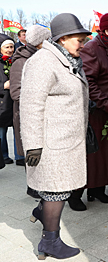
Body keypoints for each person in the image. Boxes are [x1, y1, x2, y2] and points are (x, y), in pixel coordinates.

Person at [20, 13, 90, 259]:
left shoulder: (67, 59)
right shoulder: (44, 62)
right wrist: (33, 145)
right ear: (62, 38)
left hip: (66, 139)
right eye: (78, 39)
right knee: (56, 191)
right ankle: (49, 241)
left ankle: (41, 212)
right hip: (51, 143)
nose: (83, 44)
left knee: (59, 190)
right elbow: (30, 105)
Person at [69, 12, 108, 211]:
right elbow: (88, 81)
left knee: (107, 153)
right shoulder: (93, 49)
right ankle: (75, 194)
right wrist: (106, 103)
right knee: (93, 154)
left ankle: (97, 190)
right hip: (98, 112)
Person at [10, 25, 51, 198]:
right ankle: (33, 187)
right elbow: (16, 92)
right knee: (32, 152)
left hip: (44, 115)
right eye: (47, 40)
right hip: (27, 116)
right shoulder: (21, 61)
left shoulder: (44, 58)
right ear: (39, 42)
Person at [0, 35, 24, 166]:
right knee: (2, 132)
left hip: (14, 102)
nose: (10, 50)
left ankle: (19, 156)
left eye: (11, 47)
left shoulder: (15, 61)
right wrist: (3, 86)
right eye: (7, 47)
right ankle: (3, 156)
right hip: (2, 103)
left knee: (17, 130)